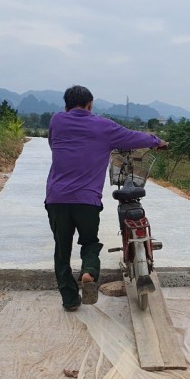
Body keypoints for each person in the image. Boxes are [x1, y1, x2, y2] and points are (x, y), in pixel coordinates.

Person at [45, 85, 168, 311]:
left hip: (57, 198)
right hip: (87, 201)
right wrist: (156, 141)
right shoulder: (103, 126)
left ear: (66, 105)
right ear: (90, 105)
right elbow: (132, 137)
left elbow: (53, 144)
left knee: (61, 251)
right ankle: (89, 273)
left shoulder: (57, 121)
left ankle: (70, 301)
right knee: (90, 242)